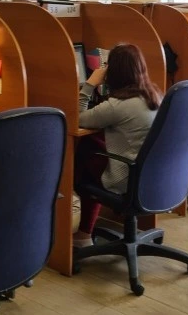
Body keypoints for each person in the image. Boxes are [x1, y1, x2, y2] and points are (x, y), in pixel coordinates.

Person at [73, 44, 162, 248]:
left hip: (127, 180)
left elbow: (77, 118)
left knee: (85, 152)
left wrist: (90, 84)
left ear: (113, 72)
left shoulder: (119, 106)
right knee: (95, 142)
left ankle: (84, 233)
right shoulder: (155, 95)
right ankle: (86, 230)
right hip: (154, 178)